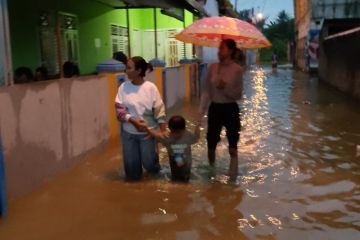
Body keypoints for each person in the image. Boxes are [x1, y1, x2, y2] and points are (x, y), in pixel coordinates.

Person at [115, 56, 166, 181]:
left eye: (128, 68)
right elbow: (119, 110)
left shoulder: (151, 88)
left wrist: (163, 132)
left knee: (150, 165)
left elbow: (159, 111)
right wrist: (133, 120)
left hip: (147, 134)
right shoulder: (123, 87)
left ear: (138, 71)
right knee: (131, 172)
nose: (125, 71)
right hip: (128, 134)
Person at [199, 39, 243, 180]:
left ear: (230, 51)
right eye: (219, 49)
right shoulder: (212, 67)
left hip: (230, 109)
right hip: (215, 108)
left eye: (222, 48)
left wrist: (225, 87)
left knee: (232, 146)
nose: (219, 51)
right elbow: (206, 91)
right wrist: (201, 112)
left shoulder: (237, 69)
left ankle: (232, 179)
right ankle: (212, 172)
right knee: (211, 144)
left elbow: (238, 95)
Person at [147, 115, 200, 182]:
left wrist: (197, 128)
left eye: (179, 132)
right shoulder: (166, 137)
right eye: (173, 132)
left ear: (184, 129)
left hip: (186, 161)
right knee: (175, 177)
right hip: (173, 161)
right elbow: (155, 135)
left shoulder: (188, 135)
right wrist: (146, 128)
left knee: (186, 178)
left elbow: (196, 138)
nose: (176, 135)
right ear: (169, 129)